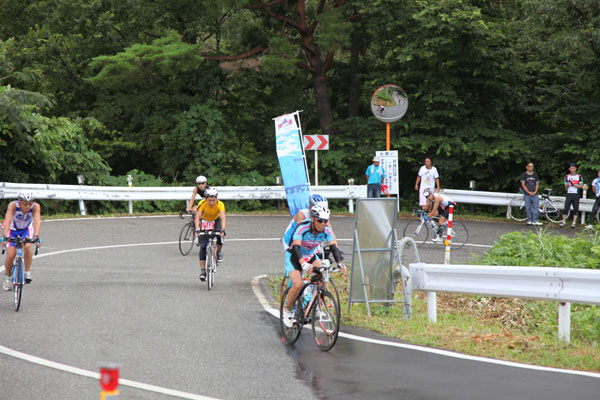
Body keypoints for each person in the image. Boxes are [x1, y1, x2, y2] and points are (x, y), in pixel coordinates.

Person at [282, 204, 346, 328]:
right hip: (294, 255)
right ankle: (288, 310)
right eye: (320, 221)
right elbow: (296, 247)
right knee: (297, 284)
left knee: (322, 274)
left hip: (310, 254)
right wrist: (303, 263)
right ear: (312, 219)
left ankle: (315, 301)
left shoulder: (326, 230)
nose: (323, 224)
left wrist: (339, 262)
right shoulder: (302, 227)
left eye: (325, 221)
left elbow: (333, 247)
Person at [2, 191, 41, 291]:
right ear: (19, 201)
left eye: (30, 203)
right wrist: (5, 236)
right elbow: (8, 220)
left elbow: (37, 221)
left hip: (25, 229)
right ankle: (8, 278)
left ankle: (27, 272)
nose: (28, 206)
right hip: (12, 230)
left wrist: (36, 236)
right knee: (11, 255)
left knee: (27, 246)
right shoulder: (13, 205)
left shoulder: (36, 206)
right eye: (25, 204)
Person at [194, 188, 226, 281]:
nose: (212, 203)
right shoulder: (202, 204)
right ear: (205, 199)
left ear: (216, 199)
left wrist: (223, 229)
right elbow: (197, 217)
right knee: (203, 246)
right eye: (209, 200)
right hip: (205, 221)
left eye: (213, 200)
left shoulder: (220, 204)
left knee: (220, 236)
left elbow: (223, 217)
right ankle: (203, 271)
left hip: (216, 220)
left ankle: (218, 252)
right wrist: (197, 229)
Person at [560, 163, 583, 228]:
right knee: (566, 208)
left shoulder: (579, 176)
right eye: (571, 168)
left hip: (576, 194)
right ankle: (563, 222)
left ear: (575, 169)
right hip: (569, 193)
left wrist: (575, 185)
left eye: (573, 168)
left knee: (576, 208)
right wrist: (569, 183)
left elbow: (581, 185)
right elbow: (565, 185)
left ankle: (574, 222)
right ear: (569, 169)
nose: (572, 169)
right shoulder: (567, 176)